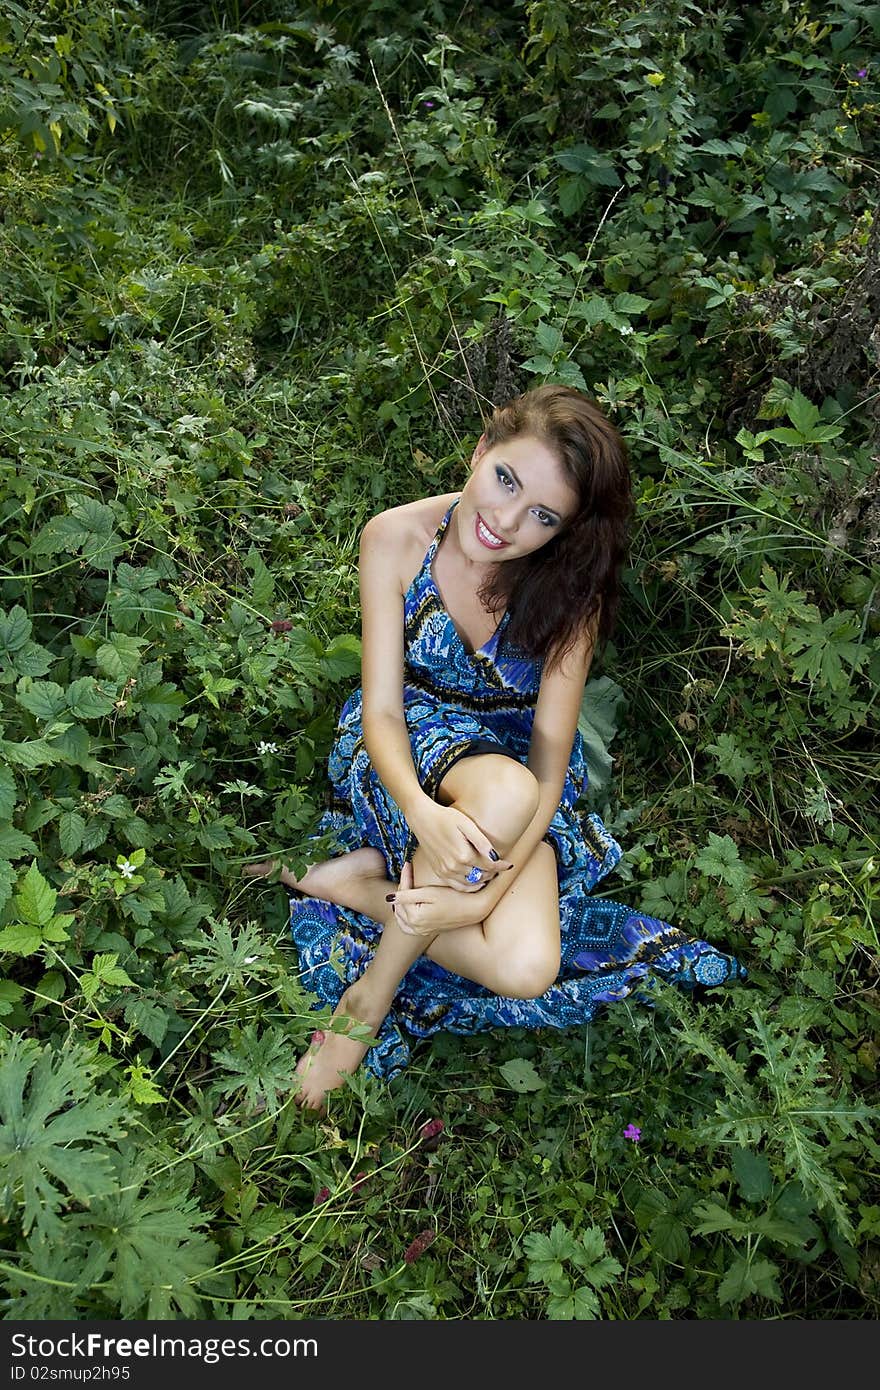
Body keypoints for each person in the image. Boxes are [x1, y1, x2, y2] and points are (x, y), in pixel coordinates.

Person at [243, 384, 746, 1110]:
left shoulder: (573, 591)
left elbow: (549, 765)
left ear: (564, 530)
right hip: (404, 744)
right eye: (506, 479)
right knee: (505, 796)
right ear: (481, 451)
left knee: (526, 966)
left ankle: (350, 884)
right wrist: (420, 811)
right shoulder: (394, 537)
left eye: (542, 515)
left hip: (511, 776)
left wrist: (492, 887)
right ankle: (366, 1003)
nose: (507, 522)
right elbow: (382, 709)